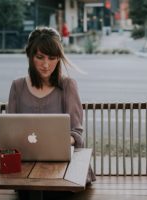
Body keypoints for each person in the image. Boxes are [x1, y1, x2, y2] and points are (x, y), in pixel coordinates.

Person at [7, 27, 95, 195]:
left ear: (59, 58)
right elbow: (9, 130)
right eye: (40, 57)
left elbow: (76, 134)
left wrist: (54, 142)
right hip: (27, 169)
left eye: (52, 58)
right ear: (30, 56)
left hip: (65, 170)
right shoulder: (17, 87)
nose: (46, 65)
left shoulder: (68, 86)